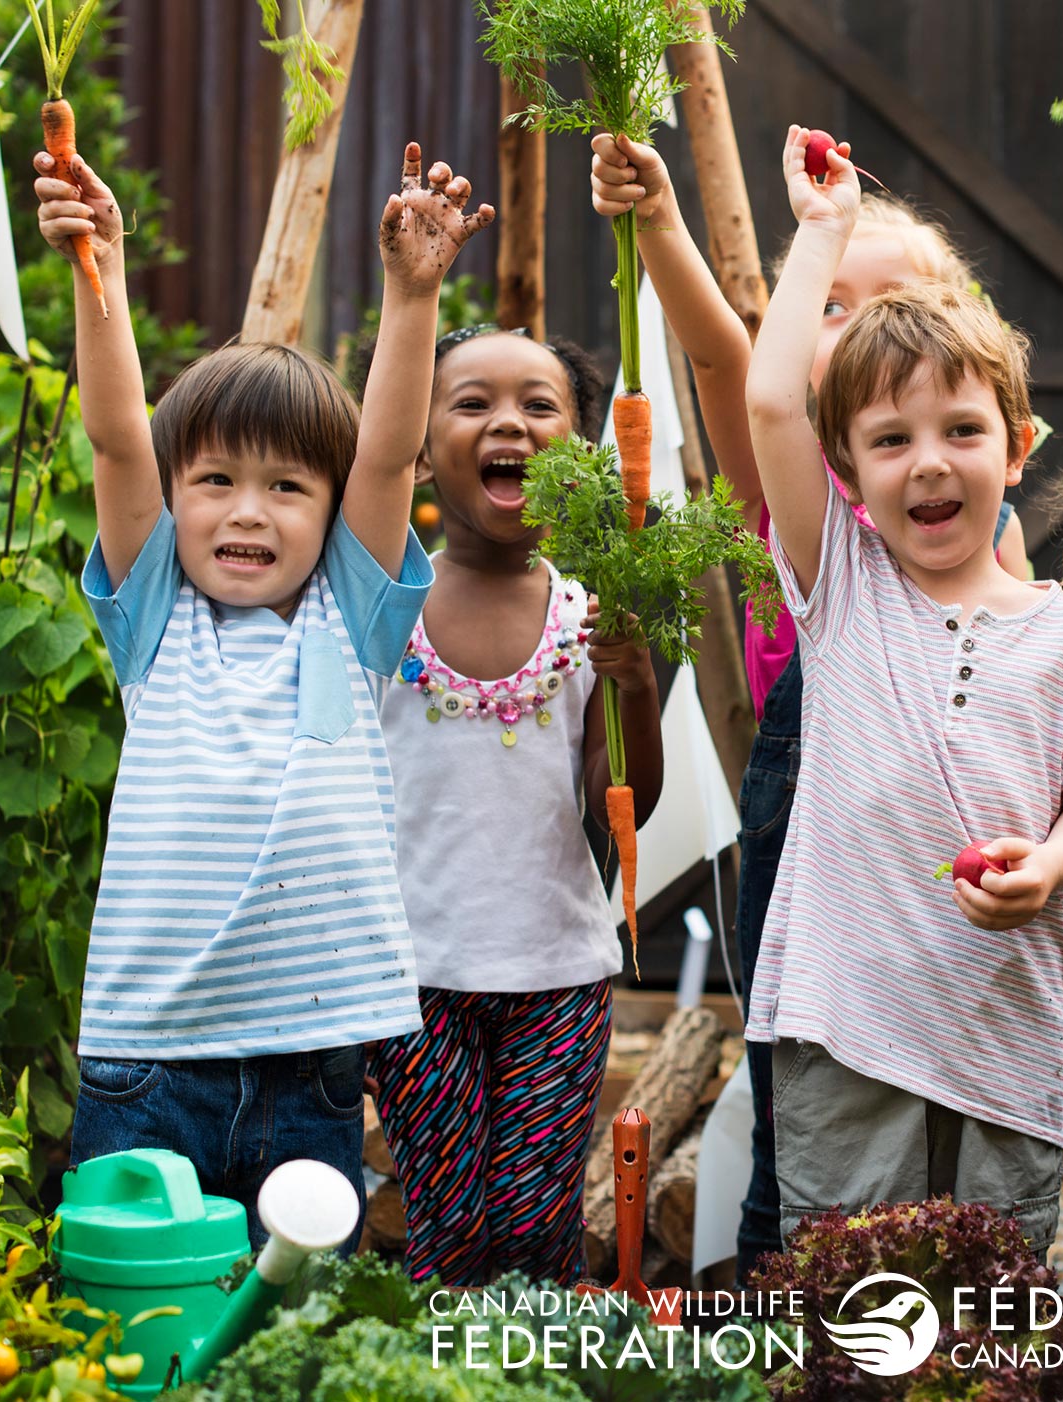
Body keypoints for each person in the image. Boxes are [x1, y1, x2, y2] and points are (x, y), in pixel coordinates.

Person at [36, 142, 491, 1243]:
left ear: (330, 514)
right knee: (137, 1316)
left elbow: (385, 461)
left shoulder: (353, 616)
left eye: (287, 487)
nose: (248, 512)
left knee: (289, 1342)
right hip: (152, 1059)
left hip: (313, 1069)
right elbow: (113, 435)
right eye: (216, 483)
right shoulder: (157, 621)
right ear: (175, 497)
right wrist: (98, 269)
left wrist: (412, 294)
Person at [590, 132, 1026, 1279]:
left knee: (943, 1093)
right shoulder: (809, 485)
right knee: (811, 1098)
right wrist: (669, 227)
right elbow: (734, 362)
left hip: (947, 811)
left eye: (896, 301)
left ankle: (949, 1316)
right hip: (817, 790)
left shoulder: (974, 505)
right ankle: (792, 1307)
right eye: (830, 304)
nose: (859, 325)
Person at [742, 126, 1063, 1258]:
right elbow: (773, 403)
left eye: (962, 431)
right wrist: (820, 235)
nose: (929, 461)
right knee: (848, 1304)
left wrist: (1051, 866)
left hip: (999, 1036)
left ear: (1017, 448)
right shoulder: (842, 588)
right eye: (891, 439)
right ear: (852, 468)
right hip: (845, 1032)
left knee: (992, 1306)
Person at [361, 324, 663, 1284]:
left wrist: (637, 686)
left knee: (535, 1223)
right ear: (417, 445)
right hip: (418, 978)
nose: (511, 424)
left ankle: (530, 1372)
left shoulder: (589, 611)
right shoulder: (384, 608)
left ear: (580, 454)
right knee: (444, 1223)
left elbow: (622, 804)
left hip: (557, 976)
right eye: (473, 403)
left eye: (541, 406)